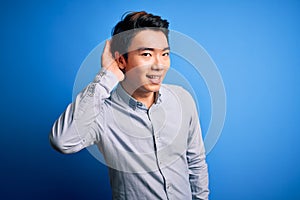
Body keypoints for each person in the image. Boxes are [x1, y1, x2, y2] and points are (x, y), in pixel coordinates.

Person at [50, 11, 209, 199]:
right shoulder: (100, 113)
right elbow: (62, 141)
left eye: (165, 54)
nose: (159, 65)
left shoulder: (183, 98)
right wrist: (106, 76)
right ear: (121, 60)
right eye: (147, 54)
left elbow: (196, 163)